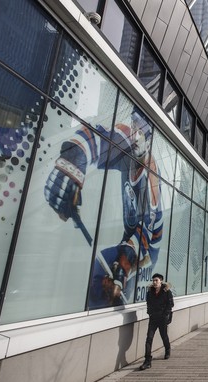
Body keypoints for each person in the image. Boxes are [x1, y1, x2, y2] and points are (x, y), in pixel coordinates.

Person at [44, 109, 163, 308]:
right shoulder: (127, 140)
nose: (135, 133)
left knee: (113, 290)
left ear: (149, 137)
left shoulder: (150, 181)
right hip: (130, 237)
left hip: (146, 251)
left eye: (140, 129)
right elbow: (96, 136)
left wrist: (125, 262)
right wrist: (73, 160)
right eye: (134, 125)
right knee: (102, 283)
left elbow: (147, 236)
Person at [140, 273, 174, 370]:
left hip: (162, 319)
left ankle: (167, 349)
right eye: (153, 280)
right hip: (153, 318)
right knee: (149, 338)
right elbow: (148, 303)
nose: (154, 282)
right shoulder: (150, 292)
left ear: (161, 281)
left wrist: (165, 315)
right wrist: (149, 312)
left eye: (156, 280)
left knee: (164, 336)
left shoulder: (167, 291)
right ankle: (147, 361)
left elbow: (170, 304)